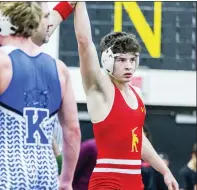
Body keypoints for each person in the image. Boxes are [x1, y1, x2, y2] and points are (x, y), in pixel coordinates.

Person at [0, 2, 81, 190]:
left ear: (2, 21)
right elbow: (73, 131)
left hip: (9, 173)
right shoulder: (59, 68)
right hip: (47, 174)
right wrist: (67, 181)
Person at [73, 2, 179, 190]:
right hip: (107, 183)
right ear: (107, 59)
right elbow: (84, 43)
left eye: (132, 59)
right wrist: (79, 3)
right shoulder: (100, 88)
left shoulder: (137, 95)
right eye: (121, 60)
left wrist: (164, 171)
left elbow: (137, 139)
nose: (129, 66)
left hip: (134, 182)